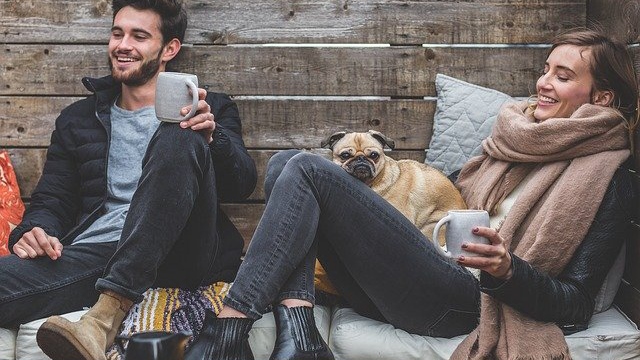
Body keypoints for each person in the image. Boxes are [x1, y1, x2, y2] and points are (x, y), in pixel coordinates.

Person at [181, 29, 638, 360]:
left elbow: (577, 303)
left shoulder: (606, 175)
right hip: (422, 274)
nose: (542, 83)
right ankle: (301, 334)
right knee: (286, 164)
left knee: (303, 168)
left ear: (601, 99)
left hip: (467, 303)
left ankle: (229, 327)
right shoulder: (516, 141)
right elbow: (453, 196)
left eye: (562, 76)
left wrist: (507, 270)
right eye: (545, 70)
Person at [0, 0, 256, 359]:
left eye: (139, 36)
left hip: (180, 252)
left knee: (180, 133)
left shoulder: (208, 107)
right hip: (98, 255)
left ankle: (104, 316)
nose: (123, 45)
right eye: (117, 33)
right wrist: (34, 230)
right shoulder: (78, 119)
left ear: (169, 49)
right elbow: (52, 199)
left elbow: (242, 183)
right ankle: (113, 295)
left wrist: (214, 138)